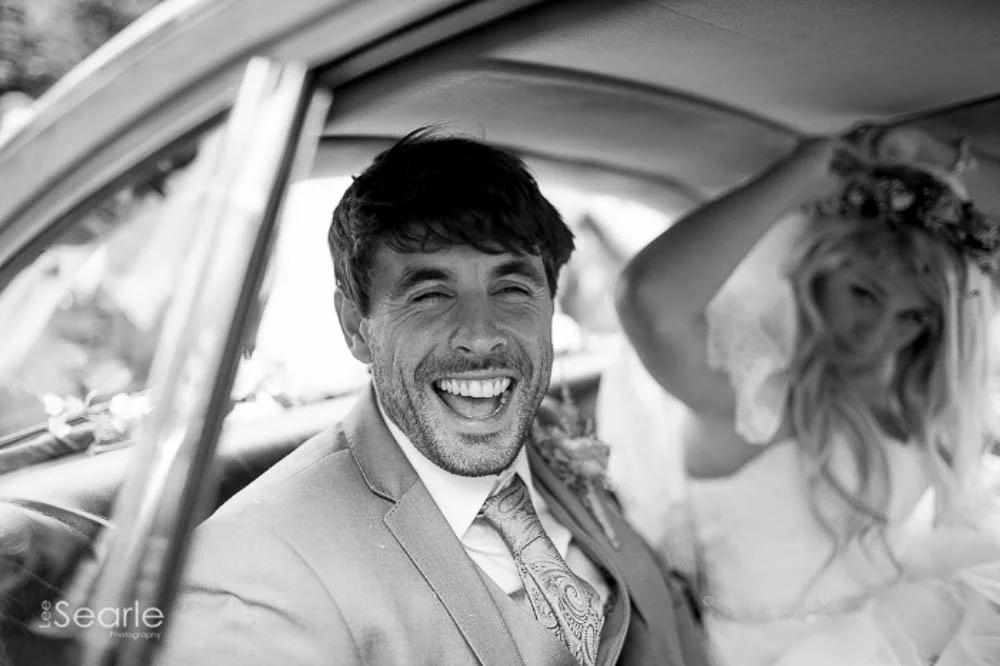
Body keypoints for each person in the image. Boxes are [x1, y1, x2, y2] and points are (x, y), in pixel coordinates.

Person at [156, 129, 708, 666]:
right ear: (355, 326)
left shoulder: (554, 449)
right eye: (431, 294)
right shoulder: (253, 574)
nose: (481, 334)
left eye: (512, 289)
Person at [614, 125, 1000, 666]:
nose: (878, 336)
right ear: (817, 271)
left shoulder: (914, 400)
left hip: (908, 638)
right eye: (864, 294)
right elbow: (647, 299)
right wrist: (801, 172)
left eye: (912, 317)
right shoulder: (753, 399)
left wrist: (934, 159)